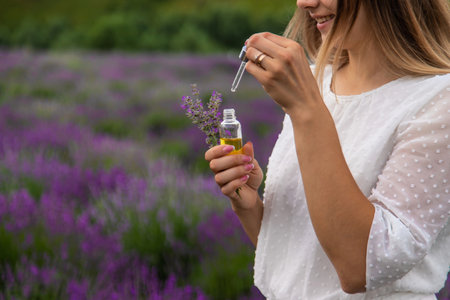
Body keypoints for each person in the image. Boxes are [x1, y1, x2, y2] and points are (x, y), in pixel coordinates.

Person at [205, 0, 450, 299]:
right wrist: (249, 206)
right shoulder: (317, 81)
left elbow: (360, 267)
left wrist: (306, 109)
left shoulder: (439, 100)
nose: (304, 2)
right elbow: (303, 263)